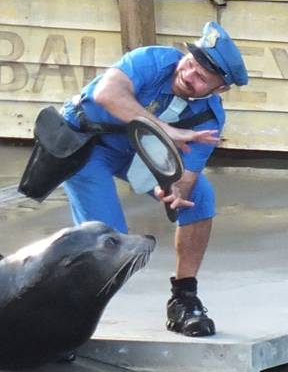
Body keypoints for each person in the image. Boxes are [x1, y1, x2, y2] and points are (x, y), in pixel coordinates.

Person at [60, 21, 247, 337]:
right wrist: (166, 130)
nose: (188, 76)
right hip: (85, 146)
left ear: (220, 88)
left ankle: (184, 299)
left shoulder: (210, 119)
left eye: (202, 78)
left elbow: (185, 179)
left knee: (200, 198)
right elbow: (107, 94)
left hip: (138, 155)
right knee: (108, 240)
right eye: (190, 64)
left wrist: (173, 189)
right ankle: (66, 317)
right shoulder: (152, 60)